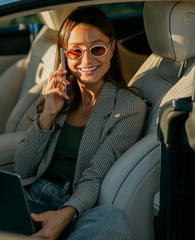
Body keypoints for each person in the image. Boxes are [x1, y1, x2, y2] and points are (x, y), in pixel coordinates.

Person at [14, 7, 147, 240]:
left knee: (113, 222)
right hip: (33, 194)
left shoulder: (129, 107)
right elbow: (22, 169)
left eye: (97, 49)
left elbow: (95, 174)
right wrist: (47, 115)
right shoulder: (58, 94)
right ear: (65, 55)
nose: (86, 60)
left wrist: (64, 215)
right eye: (76, 52)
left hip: (76, 206)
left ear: (111, 49)